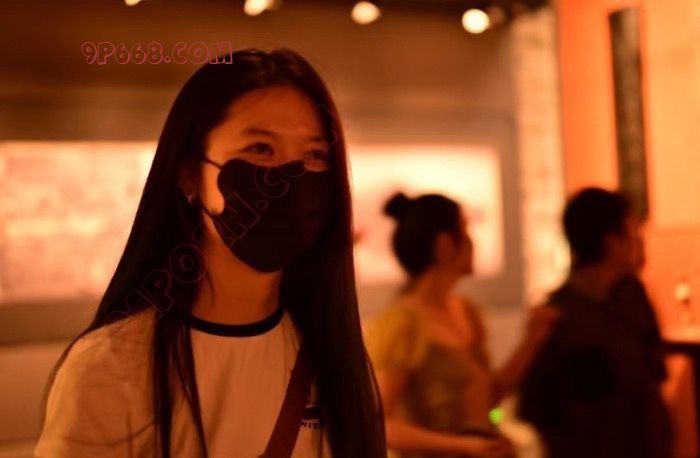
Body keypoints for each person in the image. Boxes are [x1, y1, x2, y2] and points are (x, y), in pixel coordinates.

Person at [34, 48, 386, 458]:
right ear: (189, 175)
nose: (291, 180)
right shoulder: (113, 367)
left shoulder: (336, 356)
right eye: (260, 148)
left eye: (314, 155)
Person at [365, 192, 560, 458]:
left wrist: (533, 338)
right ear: (445, 244)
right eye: (465, 230)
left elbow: (489, 397)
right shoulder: (403, 323)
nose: (472, 242)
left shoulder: (467, 311)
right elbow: (380, 424)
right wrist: (462, 445)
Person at [517, 187, 671, 458]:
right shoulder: (557, 317)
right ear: (612, 243)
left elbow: (654, 375)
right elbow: (539, 410)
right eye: (633, 233)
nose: (640, 242)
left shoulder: (633, 295)